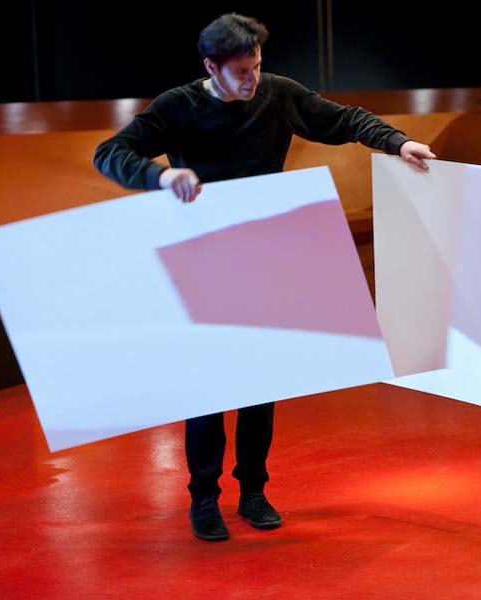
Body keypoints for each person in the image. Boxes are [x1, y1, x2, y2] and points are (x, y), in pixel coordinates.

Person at [93, 12, 435, 542]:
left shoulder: (277, 93)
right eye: (241, 71)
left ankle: (253, 490)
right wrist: (161, 174)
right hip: (203, 261)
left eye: (256, 66)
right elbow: (109, 153)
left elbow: (344, 120)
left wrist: (397, 142)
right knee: (206, 389)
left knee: (260, 382)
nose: (252, 79)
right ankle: (203, 499)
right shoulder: (177, 106)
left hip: (265, 257)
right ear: (212, 67)